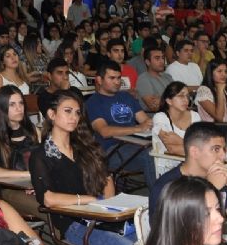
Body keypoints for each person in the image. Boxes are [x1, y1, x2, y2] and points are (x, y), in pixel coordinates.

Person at [30, 89, 138, 245]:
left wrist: (107, 210)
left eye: (77, 112)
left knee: (149, 242)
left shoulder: (84, 147)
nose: (74, 117)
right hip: (74, 224)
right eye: (67, 111)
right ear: (51, 114)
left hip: (100, 214)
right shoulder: (41, 155)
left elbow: (106, 180)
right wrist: (88, 200)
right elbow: (48, 198)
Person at [149, 123, 227, 237]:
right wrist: (210, 188)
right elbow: (170, 238)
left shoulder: (218, 177)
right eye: (216, 149)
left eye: (224, 149)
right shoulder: (167, 186)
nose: (223, 156)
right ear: (194, 152)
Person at [86, 60, 155, 188]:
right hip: (112, 150)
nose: (117, 82)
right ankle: (158, 199)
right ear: (99, 80)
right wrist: (137, 128)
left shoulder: (126, 97)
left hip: (137, 143)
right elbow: (104, 131)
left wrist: (149, 124)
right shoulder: (93, 102)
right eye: (112, 78)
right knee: (151, 155)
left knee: (164, 150)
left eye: (119, 78)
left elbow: (145, 120)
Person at [0, 85, 40, 218]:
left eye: (20, 103)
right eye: (12, 104)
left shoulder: (32, 129)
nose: (19, 108)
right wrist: (27, 175)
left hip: (32, 185)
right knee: (45, 205)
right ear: (2, 108)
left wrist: (38, 182)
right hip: (5, 189)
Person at [151, 81, 200, 172]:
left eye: (187, 96)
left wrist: (179, 140)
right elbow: (172, 149)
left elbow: (200, 144)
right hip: (169, 168)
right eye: (181, 96)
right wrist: (199, 150)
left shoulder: (195, 116)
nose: (186, 100)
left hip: (193, 163)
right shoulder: (160, 118)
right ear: (169, 101)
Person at [136, 44, 173, 113]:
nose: (162, 61)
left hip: (173, 115)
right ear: (148, 62)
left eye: (162, 58)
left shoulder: (168, 76)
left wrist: (161, 99)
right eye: (157, 58)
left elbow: (181, 96)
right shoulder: (143, 79)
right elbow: (154, 107)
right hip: (155, 118)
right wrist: (173, 99)